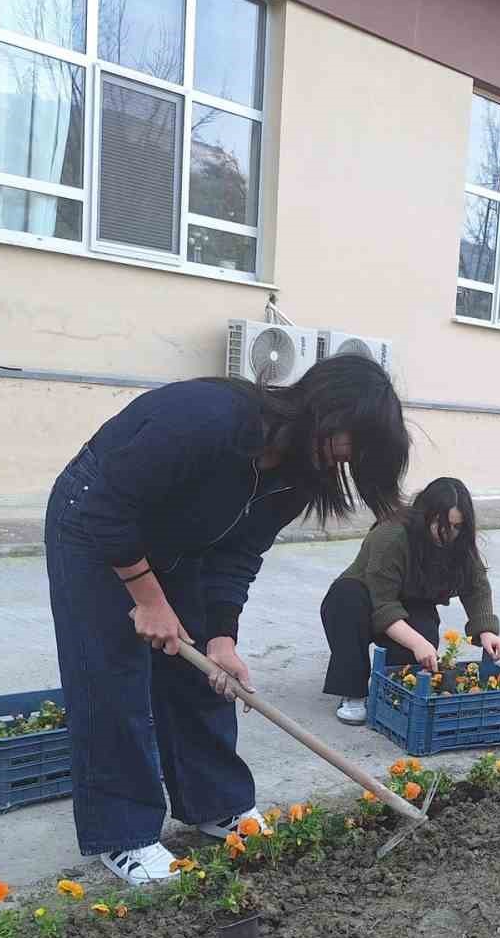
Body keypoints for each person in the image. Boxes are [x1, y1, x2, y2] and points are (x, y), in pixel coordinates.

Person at [45, 355, 410, 884]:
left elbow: (236, 555)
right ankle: (123, 834)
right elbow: (107, 507)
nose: (345, 461)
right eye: (351, 446)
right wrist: (148, 598)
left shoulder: (301, 475)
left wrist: (222, 636)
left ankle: (215, 803)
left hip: (177, 541)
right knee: (112, 678)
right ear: (329, 413)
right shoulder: (209, 417)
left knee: (203, 676)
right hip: (92, 523)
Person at [320, 477, 500, 725]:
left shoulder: (457, 542)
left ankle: (392, 687)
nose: (448, 533)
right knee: (348, 602)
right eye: (441, 524)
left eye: (457, 526)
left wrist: (486, 631)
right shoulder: (391, 535)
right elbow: (383, 605)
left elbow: (476, 585)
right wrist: (417, 643)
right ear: (425, 515)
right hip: (363, 598)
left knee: (423, 641)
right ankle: (353, 693)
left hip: (410, 602)